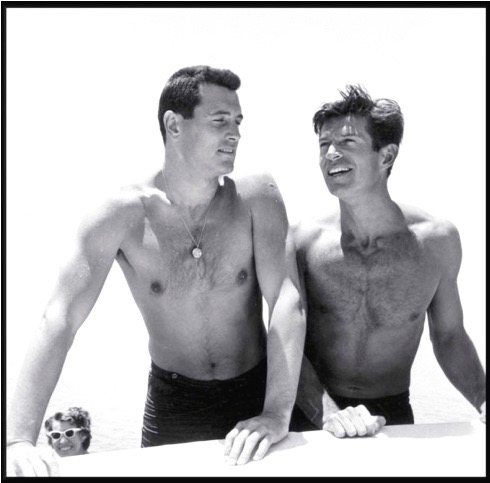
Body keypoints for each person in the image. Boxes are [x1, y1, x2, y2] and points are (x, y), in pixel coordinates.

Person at [7, 65, 306, 476]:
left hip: (257, 390)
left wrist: (276, 412)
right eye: (220, 121)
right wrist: (18, 439)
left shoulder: (256, 197)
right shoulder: (121, 214)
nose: (235, 133)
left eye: (238, 122)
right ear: (174, 125)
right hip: (174, 403)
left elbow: (287, 299)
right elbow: (59, 317)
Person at [290, 85, 486, 438]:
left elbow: (449, 336)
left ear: (386, 156)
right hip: (314, 414)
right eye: (324, 144)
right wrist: (329, 414)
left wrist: (483, 397)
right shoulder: (305, 240)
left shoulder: (435, 242)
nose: (331, 154)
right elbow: (285, 338)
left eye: (347, 142)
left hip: (391, 414)